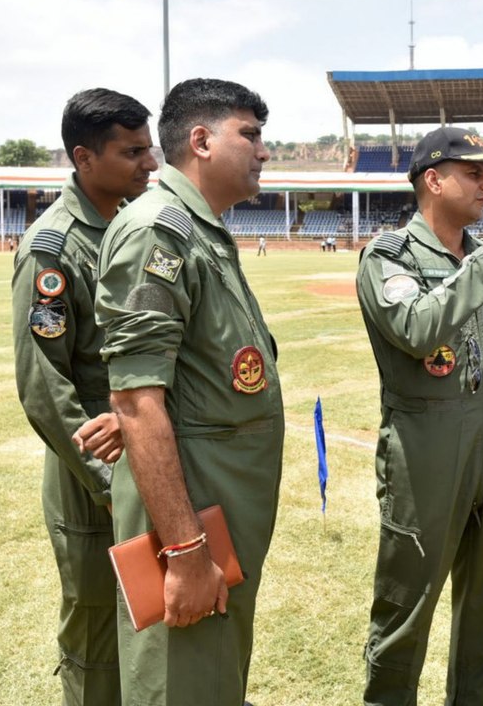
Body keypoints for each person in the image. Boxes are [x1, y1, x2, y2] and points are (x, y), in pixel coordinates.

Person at [95, 78, 283, 706]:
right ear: (201, 141)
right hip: (194, 516)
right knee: (182, 683)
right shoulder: (161, 231)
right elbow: (136, 401)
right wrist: (185, 550)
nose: (263, 151)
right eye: (249, 135)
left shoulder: (200, 230)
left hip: (218, 505)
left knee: (212, 676)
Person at [356, 126, 483, 705]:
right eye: (474, 173)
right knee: (408, 601)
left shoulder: (476, 258)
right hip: (426, 451)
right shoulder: (389, 256)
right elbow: (416, 329)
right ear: (434, 180)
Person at [11, 87, 157, 706]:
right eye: (133, 152)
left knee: (153, 612)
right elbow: (45, 386)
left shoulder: (134, 227)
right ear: (84, 157)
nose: (151, 163)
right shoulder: (54, 248)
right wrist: (107, 479)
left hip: (148, 452)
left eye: (149, 149)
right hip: (94, 466)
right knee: (98, 625)